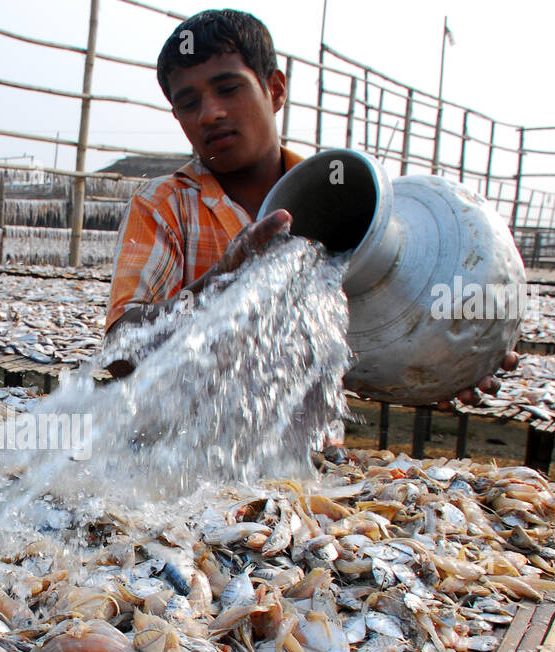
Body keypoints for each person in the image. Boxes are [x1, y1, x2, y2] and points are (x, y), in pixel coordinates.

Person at [103, 9, 516, 404]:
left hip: (306, 461)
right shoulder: (164, 206)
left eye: (229, 88)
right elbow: (122, 353)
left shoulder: (341, 199)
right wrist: (222, 281)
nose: (211, 113)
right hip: (185, 450)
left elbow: (374, 338)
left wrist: (446, 366)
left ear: (276, 90)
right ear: (177, 116)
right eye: (189, 102)